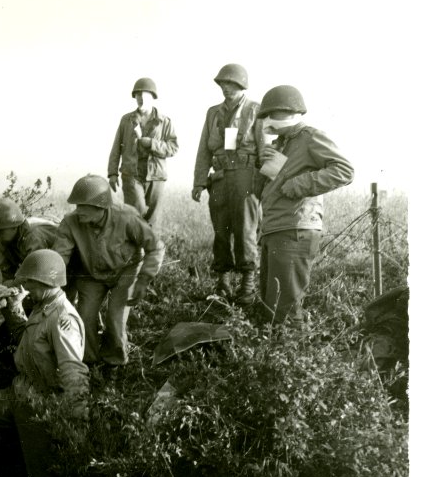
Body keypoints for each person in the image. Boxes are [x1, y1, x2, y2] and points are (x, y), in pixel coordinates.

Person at [0, 250, 88, 477]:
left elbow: (72, 371)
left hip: (40, 405)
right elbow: (25, 341)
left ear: (47, 282)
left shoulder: (62, 319)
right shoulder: (41, 304)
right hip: (19, 391)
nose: (25, 287)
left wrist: (75, 419)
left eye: (30, 283)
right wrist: (13, 308)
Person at [255, 85, 354, 325]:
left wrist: (298, 184)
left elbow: (344, 170)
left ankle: (292, 355)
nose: (267, 121)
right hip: (275, 228)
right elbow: (273, 188)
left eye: (271, 115)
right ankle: (277, 357)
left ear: (288, 112)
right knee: (272, 306)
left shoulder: (309, 136)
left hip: (294, 229)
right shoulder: (282, 143)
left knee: (285, 311)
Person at [52, 175, 165, 369]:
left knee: (115, 317)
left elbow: (155, 247)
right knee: (84, 317)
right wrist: (51, 281)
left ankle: (115, 363)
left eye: (83, 206)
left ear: (101, 207)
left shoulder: (127, 217)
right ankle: (89, 362)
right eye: (77, 206)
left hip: (126, 271)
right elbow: (58, 257)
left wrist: (144, 279)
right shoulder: (71, 222)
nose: (78, 211)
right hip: (92, 274)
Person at [192, 63, 265, 302]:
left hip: (246, 176)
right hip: (220, 177)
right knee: (221, 230)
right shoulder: (213, 113)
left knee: (245, 230)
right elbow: (204, 149)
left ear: (241, 85)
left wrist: (267, 183)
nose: (226, 88)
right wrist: (199, 182)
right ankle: (222, 282)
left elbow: (266, 149)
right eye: (223, 84)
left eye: (231, 84)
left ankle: (248, 284)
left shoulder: (256, 110)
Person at [107, 77, 179, 226]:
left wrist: (152, 144)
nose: (140, 98)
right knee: (135, 215)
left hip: (155, 176)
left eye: (144, 94)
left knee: (152, 220)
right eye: (137, 95)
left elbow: (173, 147)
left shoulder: (164, 122)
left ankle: (151, 249)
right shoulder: (126, 120)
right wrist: (112, 173)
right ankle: (136, 250)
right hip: (132, 174)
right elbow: (116, 148)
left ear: (152, 97)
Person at [0, 197, 59, 283]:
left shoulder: (33, 236)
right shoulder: (3, 240)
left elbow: (37, 273)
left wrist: (15, 284)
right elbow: (0, 274)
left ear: (14, 226)